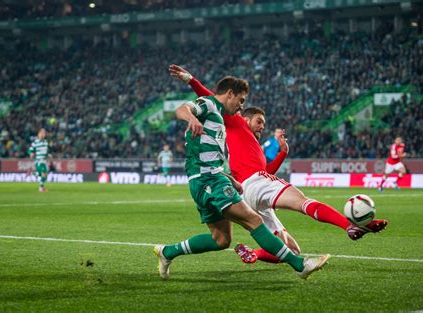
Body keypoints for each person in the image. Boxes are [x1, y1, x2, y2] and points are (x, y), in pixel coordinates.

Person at [169, 64, 388, 263]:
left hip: (248, 191)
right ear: (245, 118)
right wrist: (191, 80)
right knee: (302, 202)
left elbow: (265, 171)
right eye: (259, 121)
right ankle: (349, 226)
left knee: (291, 248)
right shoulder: (236, 122)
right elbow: (213, 97)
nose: (262, 126)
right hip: (253, 184)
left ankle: (253, 253)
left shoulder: (252, 145)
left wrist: (283, 153)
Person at [153, 76, 329, 280]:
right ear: (230, 94)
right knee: (253, 220)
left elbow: (209, 158)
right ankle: (300, 265)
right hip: (208, 181)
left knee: (221, 240)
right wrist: (191, 118)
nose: (241, 106)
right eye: (241, 100)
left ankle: (167, 252)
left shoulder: (218, 116)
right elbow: (182, 109)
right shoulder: (209, 104)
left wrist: (229, 178)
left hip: (207, 179)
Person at [27, 128, 51, 192]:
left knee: (44, 176)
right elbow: (29, 150)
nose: (42, 135)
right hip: (38, 161)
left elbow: (46, 152)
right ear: (38, 134)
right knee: (43, 173)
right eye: (41, 133)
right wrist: (31, 153)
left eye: (44, 133)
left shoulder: (46, 142)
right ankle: (41, 188)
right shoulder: (35, 142)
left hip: (44, 161)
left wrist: (48, 155)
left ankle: (32, 173)